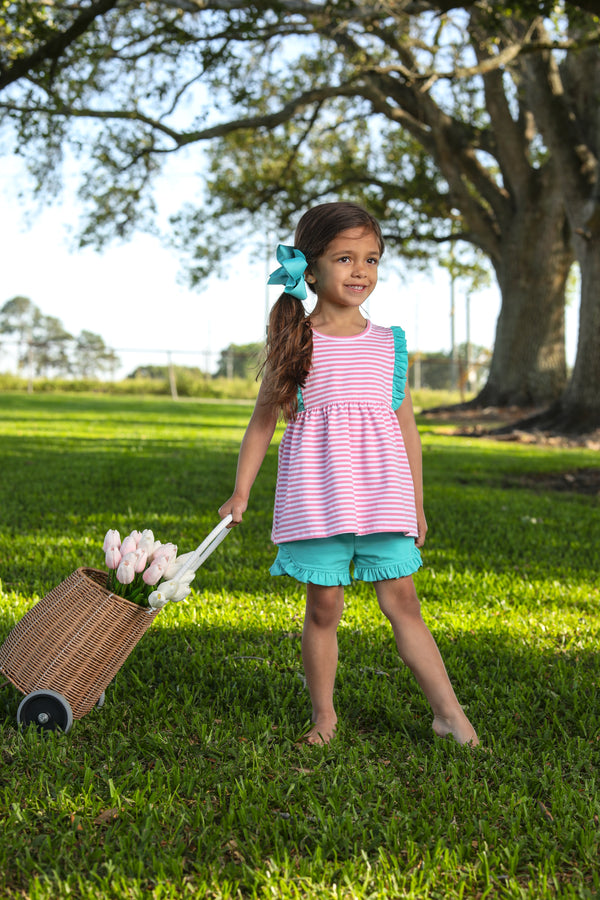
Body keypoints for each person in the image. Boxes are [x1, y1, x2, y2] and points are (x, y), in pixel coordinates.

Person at [219, 201, 479, 747]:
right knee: (325, 607)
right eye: (345, 258)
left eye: (372, 259)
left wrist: (418, 504)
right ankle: (324, 717)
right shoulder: (298, 341)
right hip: (317, 500)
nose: (361, 271)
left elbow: (407, 429)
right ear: (310, 270)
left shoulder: (390, 344)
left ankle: (449, 714)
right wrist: (239, 492)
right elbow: (262, 423)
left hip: (384, 499)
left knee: (403, 601)